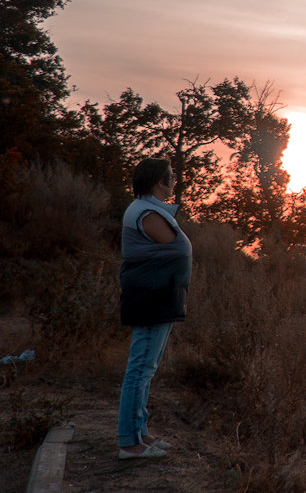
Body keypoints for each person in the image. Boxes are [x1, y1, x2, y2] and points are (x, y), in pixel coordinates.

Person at [117, 158, 192, 459]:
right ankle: (129, 442)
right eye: (171, 177)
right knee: (140, 369)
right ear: (158, 181)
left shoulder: (148, 208)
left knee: (146, 368)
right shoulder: (146, 211)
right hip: (150, 297)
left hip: (159, 295)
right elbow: (172, 243)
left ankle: (140, 431)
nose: (174, 181)